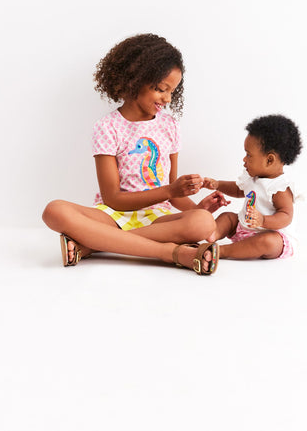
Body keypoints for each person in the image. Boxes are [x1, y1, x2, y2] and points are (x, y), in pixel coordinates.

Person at [42, 34, 227, 275]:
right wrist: (170, 191)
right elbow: (113, 198)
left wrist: (198, 208)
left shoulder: (170, 126)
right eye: (161, 89)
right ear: (134, 80)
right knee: (54, 210)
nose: (167, 98)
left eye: (172, 91)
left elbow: (173, 192)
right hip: (112, 215)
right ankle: (170, 252)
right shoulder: (108, 127)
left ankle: (94, 245)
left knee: (203, 222)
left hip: (156, 217)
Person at [202, 114, 302, 260]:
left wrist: (263, 221)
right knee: (228, 217)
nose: (244, 159)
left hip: (269, 234)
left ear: (269, 160)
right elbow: (238, 190)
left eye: (248, 155)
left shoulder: (280, 187)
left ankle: (222, 251)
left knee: (267, 242)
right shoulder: (253, 177)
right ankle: (212, 234)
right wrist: (218, 184)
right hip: (245, 228)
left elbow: (286, 216)